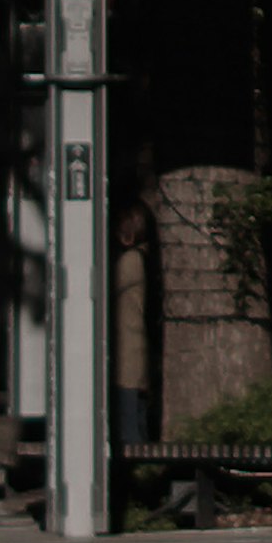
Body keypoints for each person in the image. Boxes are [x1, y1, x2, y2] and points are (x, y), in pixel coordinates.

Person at [110, 189, 160, 454]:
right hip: (137, 356)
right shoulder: (145, 259)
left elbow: (107, 288)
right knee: (137, 423)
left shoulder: (130, 261)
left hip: (127, 357)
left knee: (130, 430)